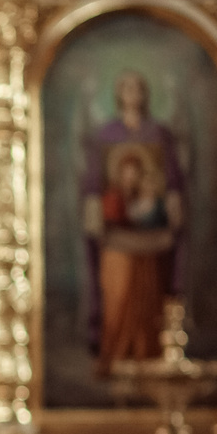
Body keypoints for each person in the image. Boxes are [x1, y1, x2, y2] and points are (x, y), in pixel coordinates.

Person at [83, 139, 183, 367]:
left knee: (145, 308)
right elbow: (109, 225)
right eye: (126, 172)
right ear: (118, 173)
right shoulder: (112, 198)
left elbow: (156, 224)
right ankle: (115, 356)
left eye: (135, 172)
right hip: (118, 259)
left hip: (144, 257)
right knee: (118, 308)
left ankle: (144, 355)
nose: (131, 177)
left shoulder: (147, 198)